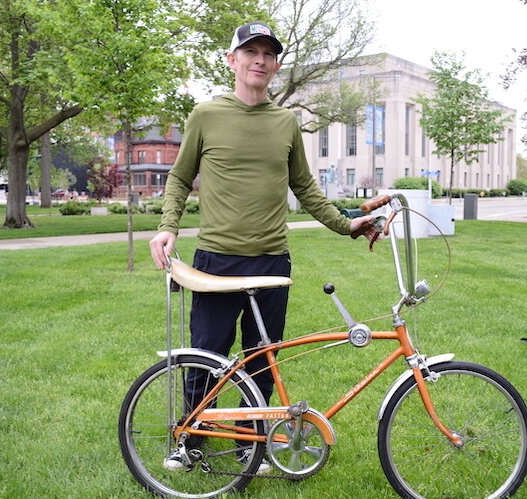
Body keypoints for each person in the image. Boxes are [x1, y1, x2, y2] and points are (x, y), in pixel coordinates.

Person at [149, 21, 378, 467]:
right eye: (250, 51)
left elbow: (305, 187)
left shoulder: (285, 122)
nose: (259, 59)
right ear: (232, 61)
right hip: (216, 259)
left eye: (268, 54)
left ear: (274, 66)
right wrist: (167, 226)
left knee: (263, 360)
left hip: (273, 260)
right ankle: (191, 435)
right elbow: (179, 177)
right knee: (207, 355)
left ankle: (249, 440)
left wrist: (346, 225)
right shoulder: (206, 115)